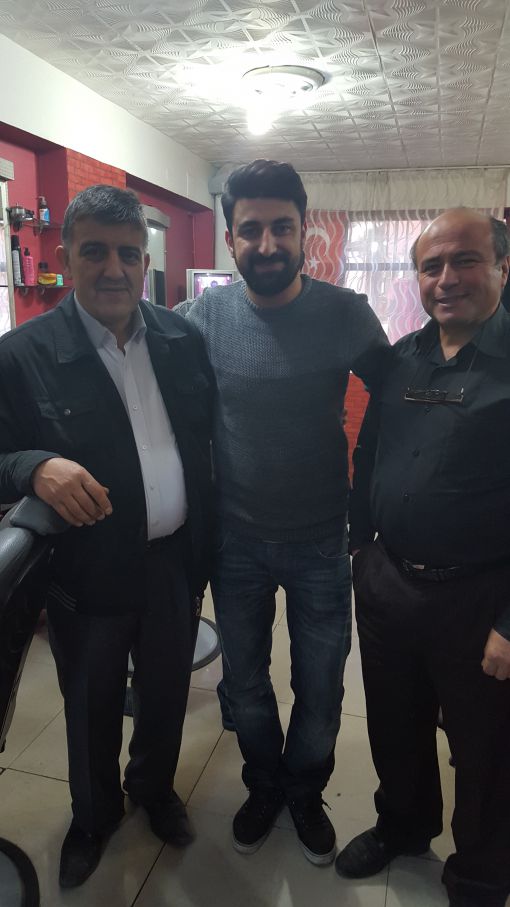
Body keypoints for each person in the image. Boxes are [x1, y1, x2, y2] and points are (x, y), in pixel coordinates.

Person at [0, 185, 213, 888]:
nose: (113, 269)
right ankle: (92, 817)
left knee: (165, 693)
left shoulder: (182, 340)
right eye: (94, 252)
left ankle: (153, 788)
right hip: (85, 570)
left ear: (145, 260)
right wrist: (34, 467)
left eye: (128, 253)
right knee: (91, 705)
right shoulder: (21, 354)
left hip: (174, 561)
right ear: (65, 257)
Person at [179, 159, 390, 865]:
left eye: (281, 227)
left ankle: (304, 788)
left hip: (322, 542)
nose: (267, 244)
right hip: (236, 540)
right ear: (230, 240)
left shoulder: (345, 314)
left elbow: (401, 397)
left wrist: (373, 503)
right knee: (244, 682)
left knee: (322, 687)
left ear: (306, 233)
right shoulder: (202, 319)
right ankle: (264, 782)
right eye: (251, 230)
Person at [336, 208, 510, 907]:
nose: (446, 279)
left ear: (502, 267)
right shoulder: (401, 358)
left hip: (479, 600)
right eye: (430, 266)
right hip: (390, 585)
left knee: (486, 752)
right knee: (395, 726)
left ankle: (481, 874)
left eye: (465, 260)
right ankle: (403, 826)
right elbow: (369, 451)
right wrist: (361, 550)